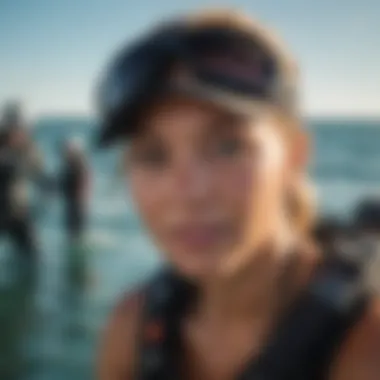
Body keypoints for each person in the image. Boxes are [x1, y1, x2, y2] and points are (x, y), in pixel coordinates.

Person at [95, 9, 380, 380]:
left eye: (228, 146)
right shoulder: (132, 328)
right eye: (153, 155)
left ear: (295, 156)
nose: (189, 193)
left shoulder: (366, 346)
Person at [0, 102, 46, 259]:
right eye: (12, 126)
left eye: (19, 126)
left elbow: (38, 171)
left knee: (34, 255)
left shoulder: (28, 148)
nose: (17, 131)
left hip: (19, 213)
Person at [59, 137, 90, 244]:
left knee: (75, 236)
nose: (65, 153)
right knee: (74, 235)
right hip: (73, 205)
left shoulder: (78, 167)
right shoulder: (71, 166)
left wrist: (82, 202)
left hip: (76, 205)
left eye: (68, 151)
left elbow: (83, 186)